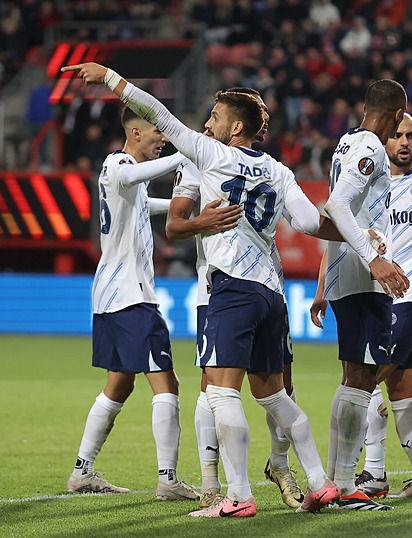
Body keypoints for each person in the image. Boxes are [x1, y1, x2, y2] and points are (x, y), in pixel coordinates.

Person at [65, 61, 354, 518]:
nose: (207, 123)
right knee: (276, 396)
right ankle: (320, 483)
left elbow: (157, 113)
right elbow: (312, 223)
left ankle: (235, 496)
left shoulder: (211, 155)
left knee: (220, 393)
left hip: (231, 290)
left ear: (235, 126)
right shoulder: (279, 171)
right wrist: (363, 239)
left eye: (215, 117)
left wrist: (111, 79)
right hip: (270, 292)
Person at [165, 87, 308, 511]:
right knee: (214, 386)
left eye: (215, 115)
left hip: (266, 281)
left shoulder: (263, 167)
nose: (208, 123)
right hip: (217, 283)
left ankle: (280, 465)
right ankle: (213, 483)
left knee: (281, 382)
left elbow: (302, 220)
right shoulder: (198, 157)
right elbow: (175, 223)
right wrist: (199, 221)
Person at [312, 113, 412, 499]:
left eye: (411, 135)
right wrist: (322, 286)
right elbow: (344, 229)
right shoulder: (369, 178)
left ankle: (368, 472)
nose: (404, 142)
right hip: (376, 289)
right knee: (398, 385)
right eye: (397, 135)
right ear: (386, 139)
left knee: (369, 373)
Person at [66, 106, 198, 502]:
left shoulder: (130, 181)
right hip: (130, 295)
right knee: (167, 384)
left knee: (118, 385)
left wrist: (184, 202)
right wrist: (189, 152)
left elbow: (145, 202)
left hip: (112, 295)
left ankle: (82, 472)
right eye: (159, 132)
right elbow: (130, 174)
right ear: (136, 132)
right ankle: (168, 478)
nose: (164, 138)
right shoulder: (118, 162)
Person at [322, 79, 409, 511]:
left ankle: (336, 483)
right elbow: (336, 206)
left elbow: (343, 209)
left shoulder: (345, 143)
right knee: (362, 378)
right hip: (361, 273)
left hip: (344, 270)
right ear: (396, 117)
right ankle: (344, 484)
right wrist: (374, 259)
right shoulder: (373, 149)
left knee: (353, 377)